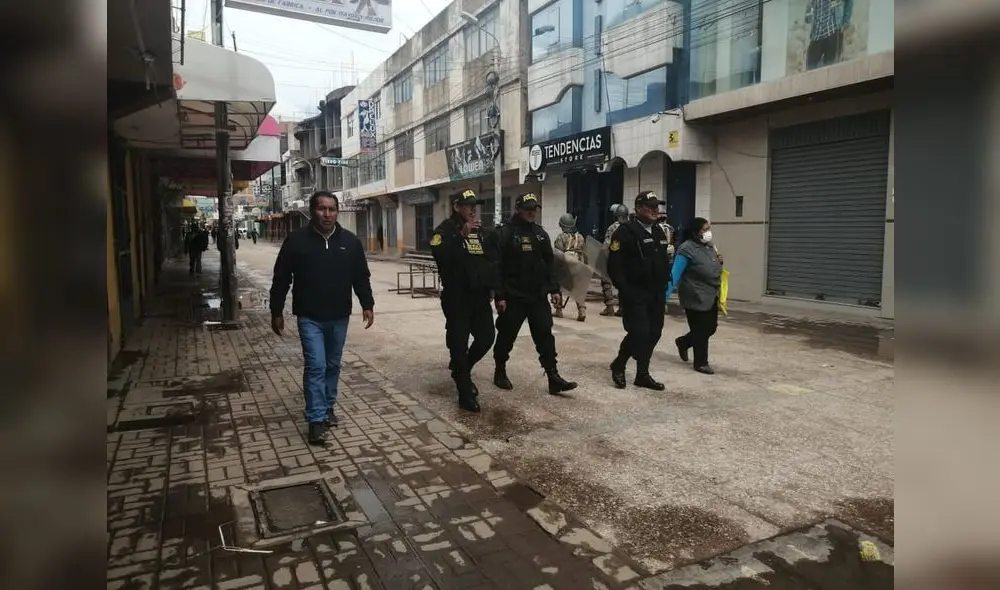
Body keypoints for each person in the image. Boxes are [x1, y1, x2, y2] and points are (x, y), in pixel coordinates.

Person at [269, 190, 375, 445]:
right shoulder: (296, 241)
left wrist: (367, 304)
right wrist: (276, 310)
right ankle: (315, 419)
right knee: (316, 365)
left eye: (332, 209)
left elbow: (361, 276)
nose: (327, 214)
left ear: (337, 212)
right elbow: (281, 278)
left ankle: (328, 409)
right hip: (310, 317)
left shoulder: (350, 242)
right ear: (312, 210)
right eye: (321, 209)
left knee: (332, 365)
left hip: (340, 316)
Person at [488, 193, 577, 395]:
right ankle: (499, 370)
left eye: (534, 209)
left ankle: (553, 376)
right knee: (506, 336)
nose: (531, 212)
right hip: (513, 297)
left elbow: (549, 264)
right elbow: (496, 267)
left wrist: (554, 289)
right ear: (518, 209)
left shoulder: (540, 234)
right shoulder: (504, 233)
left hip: (537, 296)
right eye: (527, 209)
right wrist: (499, 295)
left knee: (545, 335)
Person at [429, 189, 498, 413]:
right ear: (456, 206)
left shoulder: (479, 231)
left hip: (479, 297)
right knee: (458, 343)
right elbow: (441, 255)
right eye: (468, 205)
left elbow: (488, 262)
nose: (473, 209)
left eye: (474, 205)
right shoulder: (444, 230)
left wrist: (496, 291)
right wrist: (461, 236)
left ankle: (463, 369)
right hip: (457, 297)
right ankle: (464, 392)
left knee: (487, 336)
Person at [606, 191, 673, 391]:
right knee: (639, 332)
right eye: (650, 207)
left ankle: (642, 374)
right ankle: (619, 364)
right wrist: (625, 290)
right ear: (638, 209)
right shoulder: (625, 232)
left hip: (656, 293)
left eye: (656, 206)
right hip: (635, 293)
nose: (655, 210)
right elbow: (615, 266)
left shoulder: (659, 231)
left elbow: (663, 261)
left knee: (654, 333)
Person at [666, 217, 724, 375]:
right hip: (694, 294)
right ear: (695, 232)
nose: (708, 232)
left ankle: (683, 342)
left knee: (711, 328)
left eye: (709, 228)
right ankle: (701, 363)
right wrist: (664, 297)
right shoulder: (686, 249)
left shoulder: (710, 247)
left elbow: (713, 265)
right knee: (701, 329)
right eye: (704, 229)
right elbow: (674, 274)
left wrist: (720, 262)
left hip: (711, 294)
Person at [552, 213, 588, 322]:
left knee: (557, 286)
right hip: (578, 265)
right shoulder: (580, 237)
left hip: (565, 266)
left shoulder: (561, 237)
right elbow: (584, 253)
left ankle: (558, 310)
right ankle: (582, 310)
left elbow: (558, 254)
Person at [600, 204, 629, 317]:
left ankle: (609, 307)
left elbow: (607, 246)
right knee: (623, 283)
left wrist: (603, 260)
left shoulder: (613, 227)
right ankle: (623, 308)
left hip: (615, 258)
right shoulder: (632, 226)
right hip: (627, 261)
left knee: (606, 280)